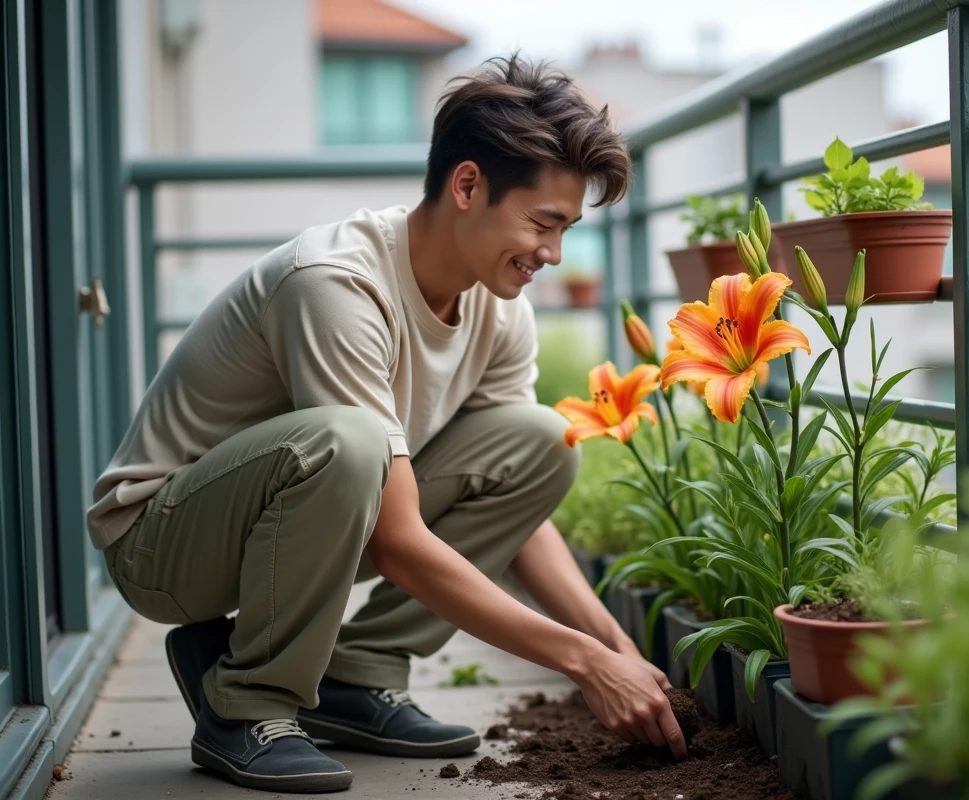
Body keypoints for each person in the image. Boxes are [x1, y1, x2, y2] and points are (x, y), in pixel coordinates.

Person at [88, 54, 685, 794]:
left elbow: (513, 505)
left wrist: (618, 648)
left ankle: (352, 677)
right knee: (352, 441)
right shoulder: (337, 283)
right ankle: (246, 704)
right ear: (467, 185)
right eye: (542, 222)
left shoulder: (501, 309)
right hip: (163, 543)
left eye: (566, 230)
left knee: (540, 443)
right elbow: (398, 541)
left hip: (299, 520)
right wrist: (582, 663)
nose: (552, 255)